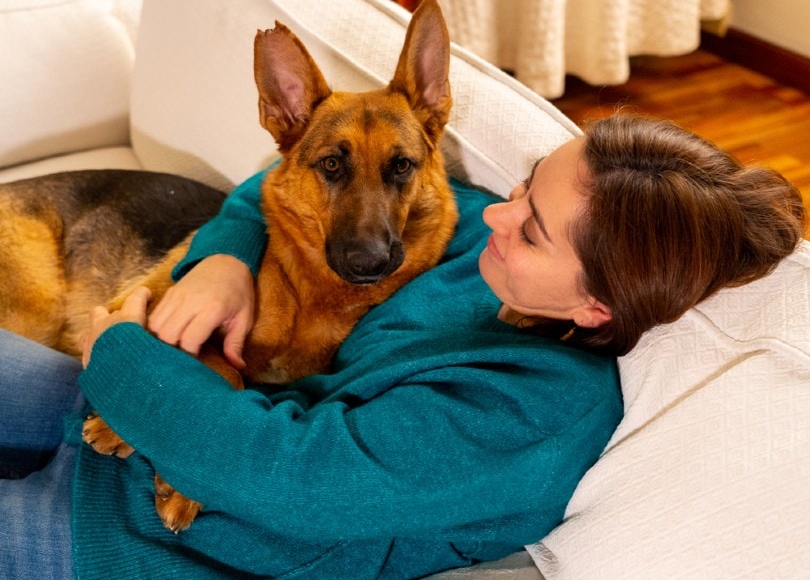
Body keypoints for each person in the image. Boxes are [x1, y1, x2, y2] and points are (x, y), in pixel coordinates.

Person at [0, 115, 804, 579]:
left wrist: (114, 349)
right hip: (133, 415)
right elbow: (288, 178)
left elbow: (291, 477)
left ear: (597, 304)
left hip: (141, 533)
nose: (495, 212)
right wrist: (224, 259)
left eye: (530, 227)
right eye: (525, 183)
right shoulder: (474, 257)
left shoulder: (532, 411)